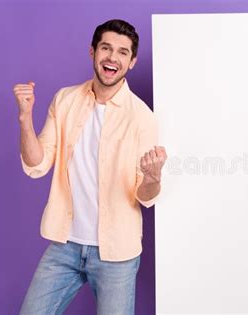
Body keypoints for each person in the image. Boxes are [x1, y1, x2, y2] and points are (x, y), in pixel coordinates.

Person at [14, 19, 167, 314]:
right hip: (64, 244)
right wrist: (24, 118)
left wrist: (153, 176)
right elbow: (38, 164)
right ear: (92, 52)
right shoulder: (65, 100)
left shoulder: (142, 118)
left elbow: (145, 195)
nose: (113, 57)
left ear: (132, 61)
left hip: (117, 253)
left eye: (123, 52)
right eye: (106, 48)